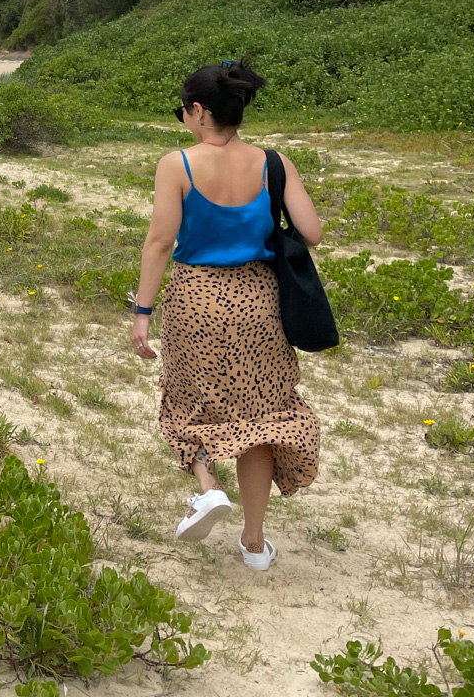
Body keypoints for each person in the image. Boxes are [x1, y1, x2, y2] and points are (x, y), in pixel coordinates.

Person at [129, 61, 323, 571]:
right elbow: (312, 230)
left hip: (196, 300)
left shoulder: (178, 164)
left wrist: (142, 312)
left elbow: (160, 242)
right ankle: (254, 544)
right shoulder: (273, 162)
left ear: (199, 111)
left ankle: (208, 487)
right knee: (259, 419)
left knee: (188, 403)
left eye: (184, 111)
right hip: (260, 302)